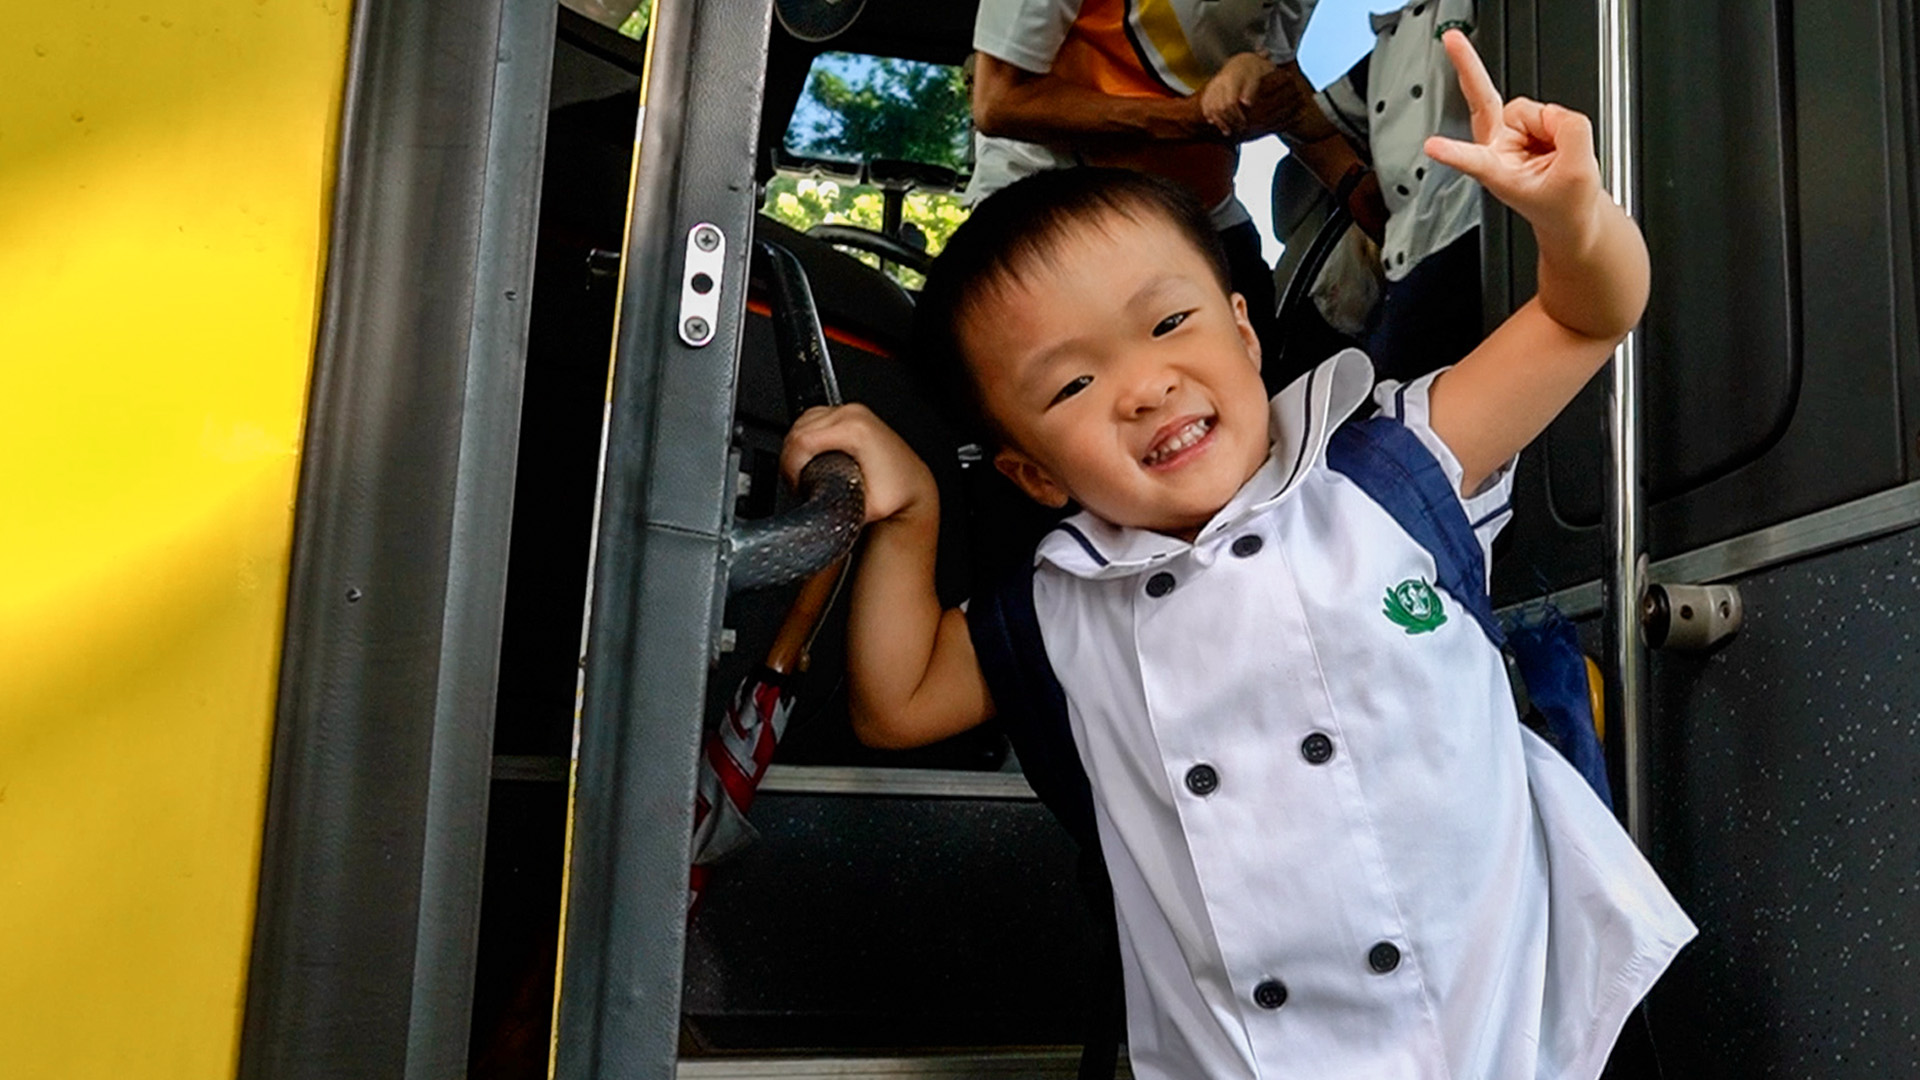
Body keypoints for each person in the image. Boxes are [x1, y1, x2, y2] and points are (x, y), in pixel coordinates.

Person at [782, 33, 1694, 1080]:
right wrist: (912, 514)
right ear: (1033, 474)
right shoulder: (1060, 601)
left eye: (1169, 323)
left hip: (1517, 1039)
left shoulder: (1393, 467)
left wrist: (1571, 215)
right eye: (1072, 385)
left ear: (1246, 336)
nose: (1146, 386)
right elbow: (897, 704)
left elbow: (1589, 315)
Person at [967, 0, 1387, 378]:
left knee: (1260, 372)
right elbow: (999, 101)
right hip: (1057, 203)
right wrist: (1186, 120)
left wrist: (1350, 180)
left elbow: (1276, 72)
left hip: (1198, 210)